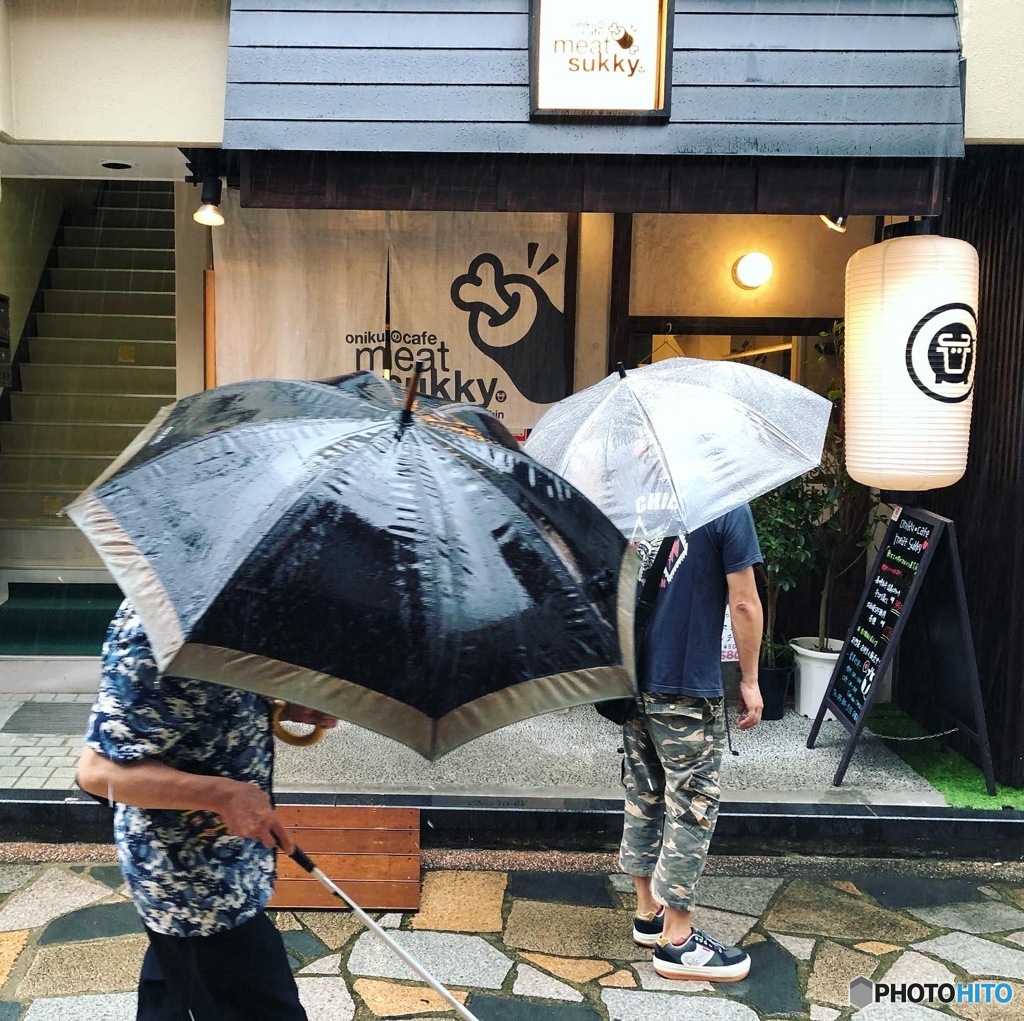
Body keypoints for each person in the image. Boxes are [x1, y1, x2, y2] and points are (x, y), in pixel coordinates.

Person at [76, 599, 338, 1021]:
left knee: (175, 991)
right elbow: (97, 772)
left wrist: (277, 705)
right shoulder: (157, 625)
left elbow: (193, 703)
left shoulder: (230, 608)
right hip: (194, 891)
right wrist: (223, 796)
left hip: (221, 871)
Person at [620, 505, 764, 982]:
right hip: (685, 685)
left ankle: (648, 912)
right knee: (692, 803)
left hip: (633, 677)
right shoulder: (727, 505)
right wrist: (750, 679)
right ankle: (678, 941)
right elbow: (744, 603)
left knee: (644, 793)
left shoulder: (641, 498)